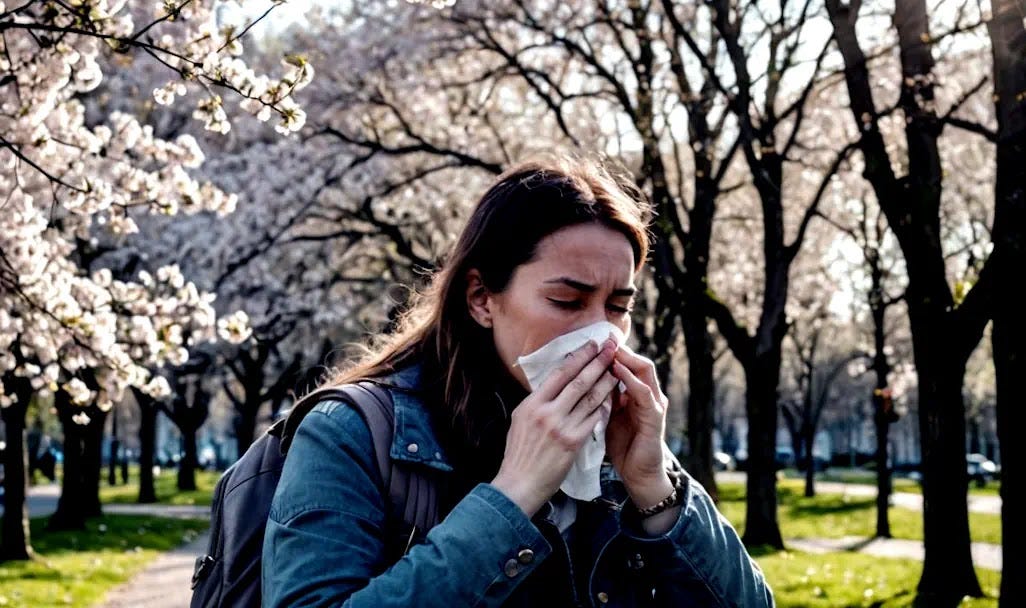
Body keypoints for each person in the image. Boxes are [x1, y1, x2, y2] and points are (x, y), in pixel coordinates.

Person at [262, 155, 774, 607]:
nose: (600, 333)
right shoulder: (348, 433)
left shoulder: (614, 439)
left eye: (619, 307)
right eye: (567, 301)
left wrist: (654, 487)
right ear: (482, 299)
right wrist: (513, 496)